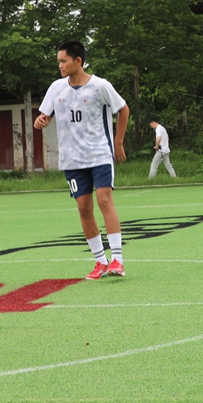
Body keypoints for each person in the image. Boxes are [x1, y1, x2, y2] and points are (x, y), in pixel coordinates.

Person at [34, 39, 129, 280]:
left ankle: (117, 259)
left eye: (64, 61)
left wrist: (118, 142)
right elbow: (46, 115)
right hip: (72, 160)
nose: (60, 66)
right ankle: (100, 262)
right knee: (84, 208)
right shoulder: (56, 88)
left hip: (99, 154)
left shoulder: (100, 86)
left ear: (78, 61)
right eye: (58, 62)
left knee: (104, 200)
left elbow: (123, 109)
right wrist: (42, 120)